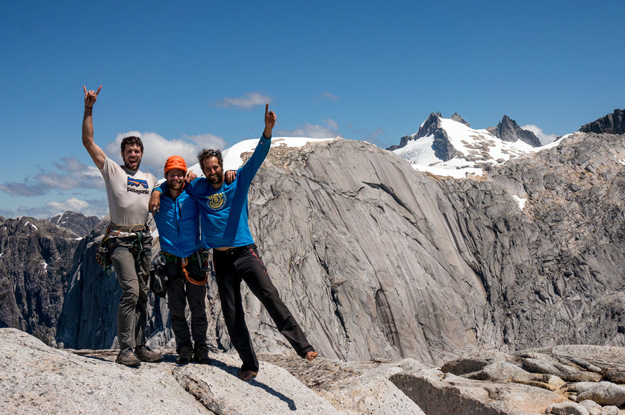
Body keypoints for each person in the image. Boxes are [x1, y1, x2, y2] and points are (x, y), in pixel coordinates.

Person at [151, 104, 318, 381]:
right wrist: (157, 191)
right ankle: (249, 364)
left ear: (222, 166)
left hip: (245, 252)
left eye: (216, 167)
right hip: (220, 258)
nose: (213, 171)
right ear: (203, 171)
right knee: (231, 312)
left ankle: (303, 347)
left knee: (269, 296)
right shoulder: (199, 188)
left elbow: (258, 157)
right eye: (208, 168)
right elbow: (175, 183)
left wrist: (267, 131)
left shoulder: (237, 180)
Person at [82, 85, 163, 368]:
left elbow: (168, 184)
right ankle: (125, 349)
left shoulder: (151, 177)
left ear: (141, 154)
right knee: (131, 291)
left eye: (137, 150)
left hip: (142, 241)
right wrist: (89, 108)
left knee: (143, 293)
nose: (133, 154)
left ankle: (140, 346)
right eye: (129, 150)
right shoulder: (112, 171)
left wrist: (157, 191)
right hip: (119, 241)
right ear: (123, 153)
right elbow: (88, 142)